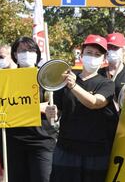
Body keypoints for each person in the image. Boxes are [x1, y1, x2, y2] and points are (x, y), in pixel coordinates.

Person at [45, 34, 117, 182]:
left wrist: (73, 86)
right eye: (89, 53)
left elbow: (95, 103)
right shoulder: (65, 81)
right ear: (81, 55)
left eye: (98, 54)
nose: (92, 57)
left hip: (95, 153)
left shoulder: (106, 84)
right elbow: (55, 114)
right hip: (66, 150)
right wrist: (50, 113)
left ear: (104, 60)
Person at [5, 37, 56, 182]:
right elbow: (2, 108)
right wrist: (37, 108)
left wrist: (54, 112)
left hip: (42, 140)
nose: (27, 53)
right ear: (15, 54)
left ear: (37, 53)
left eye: (31, 50)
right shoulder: (6, 78)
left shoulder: (47, 78)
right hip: (14, 141)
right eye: (22, 50)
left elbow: (56, 107)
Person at [99, 33, 125, 112]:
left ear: (123, 51)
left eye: (115, 47)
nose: (111, 50)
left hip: (123, 121)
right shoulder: (98, 73)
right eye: (109, 47)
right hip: (101, 121)